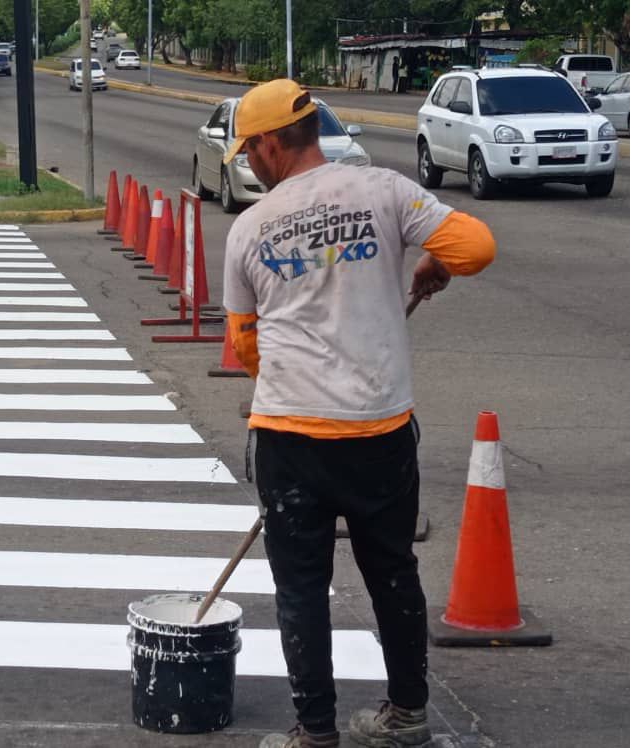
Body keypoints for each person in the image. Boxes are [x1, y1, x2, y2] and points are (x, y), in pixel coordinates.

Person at [220, 79, 496, 748]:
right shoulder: (384, 190)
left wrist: (289, 377)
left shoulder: (250, 227)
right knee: (393, 571)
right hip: (379, 431)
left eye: (247, 150)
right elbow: (477, 247)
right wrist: (435, 263)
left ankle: (314, 732)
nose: (247, 163)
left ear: (266, 145)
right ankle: (407, 716)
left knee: (302, 589)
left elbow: (243, 341)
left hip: (291, 435)